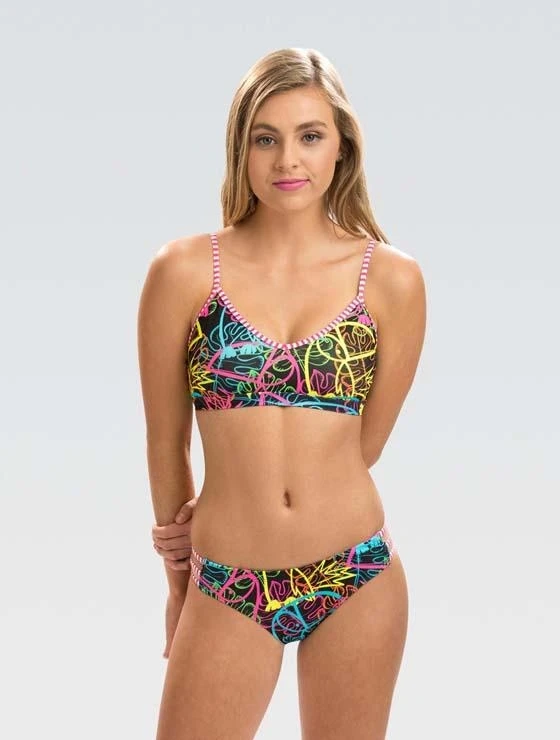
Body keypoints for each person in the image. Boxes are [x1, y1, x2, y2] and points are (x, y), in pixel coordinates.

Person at [138, 46, 426, 740]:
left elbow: (363, 447)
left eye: (310, 136)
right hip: (230, 582)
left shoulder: (392, 281)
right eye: (265, 139)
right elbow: (165, 442)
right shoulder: (184, 271)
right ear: (240, 148)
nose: (287, 160)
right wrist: (180, 582)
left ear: (341, 145)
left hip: (356, 573)